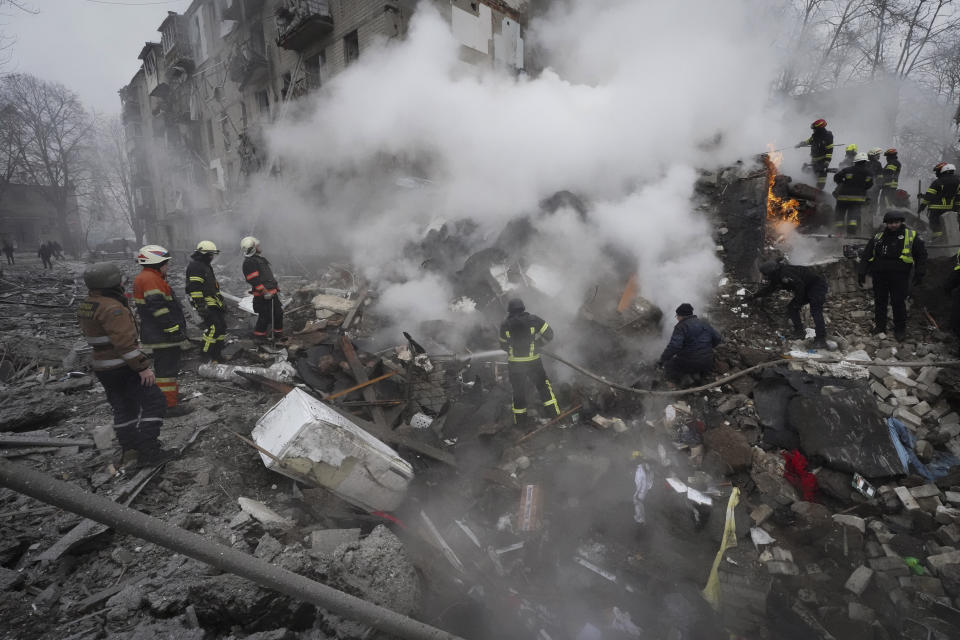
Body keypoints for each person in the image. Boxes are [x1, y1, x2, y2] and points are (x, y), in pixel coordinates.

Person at [77, 262, 175, 470]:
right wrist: (143, 367)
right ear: (111, 282)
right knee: (155, 402)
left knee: (124, 408)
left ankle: (130, 449)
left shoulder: (88, 303)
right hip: (123, 367)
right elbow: (124, 345)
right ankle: (149, 452)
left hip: (104, 367)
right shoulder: (113, 308)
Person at [133, 244, 190, 415]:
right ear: (156, 263)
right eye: (165, 263)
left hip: (157, 333)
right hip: (162, 335)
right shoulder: (151, 280)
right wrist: (173, 330)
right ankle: (168, 406)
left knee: (166, 368)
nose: (168, 266)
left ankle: (168, 396)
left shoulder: (148, 277)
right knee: (167, 370)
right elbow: (159, 309)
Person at [858, 210, 927, 342]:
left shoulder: (911, 235)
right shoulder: (878, 237)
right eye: (890, 223)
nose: (893, 225)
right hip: (879, 276)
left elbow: (921, 255)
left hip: (899, 276)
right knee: (880, 302)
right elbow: (867, 255)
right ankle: (880, 328)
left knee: (898, 303)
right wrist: (862, 272)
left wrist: (920, 272)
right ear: (886, 224)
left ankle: (900, 330)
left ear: (901, 222)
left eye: (896, 222)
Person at [498, 298, 561, 426]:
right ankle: (555, 416)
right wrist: (538, 344)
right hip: (534, 363)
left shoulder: (505, 325)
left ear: (509, 310)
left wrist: (513, 350)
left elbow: (503, 345)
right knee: (544, 388)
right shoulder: (534, 320)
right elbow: (549, 334)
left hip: (515, 366)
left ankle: (521, 424)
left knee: (518, 393)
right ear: (523, 308)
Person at [749, 260, 828, 347]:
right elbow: (769, 289)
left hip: (816, 286)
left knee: (815, 311)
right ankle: (799, 332)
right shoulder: (778, 276)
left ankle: (821, 339)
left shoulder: (785, 273)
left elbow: (799, 285)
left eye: (766, 274)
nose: (766, 277)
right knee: (792, 308)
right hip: (806, 288)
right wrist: (754, 296)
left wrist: (798, 303)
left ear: (771, 272)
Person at [657, 303, 721, 383]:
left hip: (690, 363)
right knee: (694, 360)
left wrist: (662, 360)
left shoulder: (681, 327)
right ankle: (698, 375)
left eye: (677, 316)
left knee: (669, 365)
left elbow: (674, 346)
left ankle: (678, 383)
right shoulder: (704, 323)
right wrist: (707, 348)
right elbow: (718, 338)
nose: (677, 318)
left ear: (681, 316)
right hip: (708, 362)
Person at [185, 240, 226, 362]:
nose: (212, 257)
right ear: (203, 254)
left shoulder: (205, 266)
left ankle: (217, 354)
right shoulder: (196, 266)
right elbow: (195, 288)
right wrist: (201, 306)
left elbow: (212, 286)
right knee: (214, 327)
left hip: (213, 301)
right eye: (210, 254)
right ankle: (206, 353)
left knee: (222, 327)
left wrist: (221, 301)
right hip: (205, 303)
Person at [240, 236, 284, 343]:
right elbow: (254, 280)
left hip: (271, 294)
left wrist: (275, 288)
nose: (260, 246)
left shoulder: (259, 260)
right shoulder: (249, 262)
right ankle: (259, 339)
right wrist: (264, 292)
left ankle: (278, 336)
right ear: (253, 248)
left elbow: (266, 277)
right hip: (263, 296)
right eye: (257, 245)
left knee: (278, 314)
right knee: (265, 317)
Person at [833, 152, 873, 235]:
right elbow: (869, 185)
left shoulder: (847, 170)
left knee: (840, 215)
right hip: (857, 199)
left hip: (842, 198)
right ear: (865, 162)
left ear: (855, 162)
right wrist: (861, 187)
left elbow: (836, 177)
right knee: (852, 217)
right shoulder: (868, 173)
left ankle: (839, 233)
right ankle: (851, 234)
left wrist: (843, 182)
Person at [919, 163, 960, 242]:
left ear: (943, 170)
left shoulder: (938, 182)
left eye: (937, 171)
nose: (936, 173)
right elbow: (958, 197)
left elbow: (930, 196)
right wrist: (957, 208)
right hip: (951, 210)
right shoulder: (958, 181)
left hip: (936, 210)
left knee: (936, 228)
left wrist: (922, 206)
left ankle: (938, 243)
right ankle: (951, 242)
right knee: (950, 227)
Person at [796, 118, 834, 190]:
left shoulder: (828, 136)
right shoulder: (815, 136)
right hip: (814, 161)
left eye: (815, 129)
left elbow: (830, 151)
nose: (813, 130)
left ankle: (819, 193)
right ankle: (812, 192)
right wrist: (800, 144)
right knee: (812, 175)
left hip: (822, 161)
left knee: (821, 180)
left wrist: (826, 162)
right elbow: (809, 141)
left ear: (820, 129)